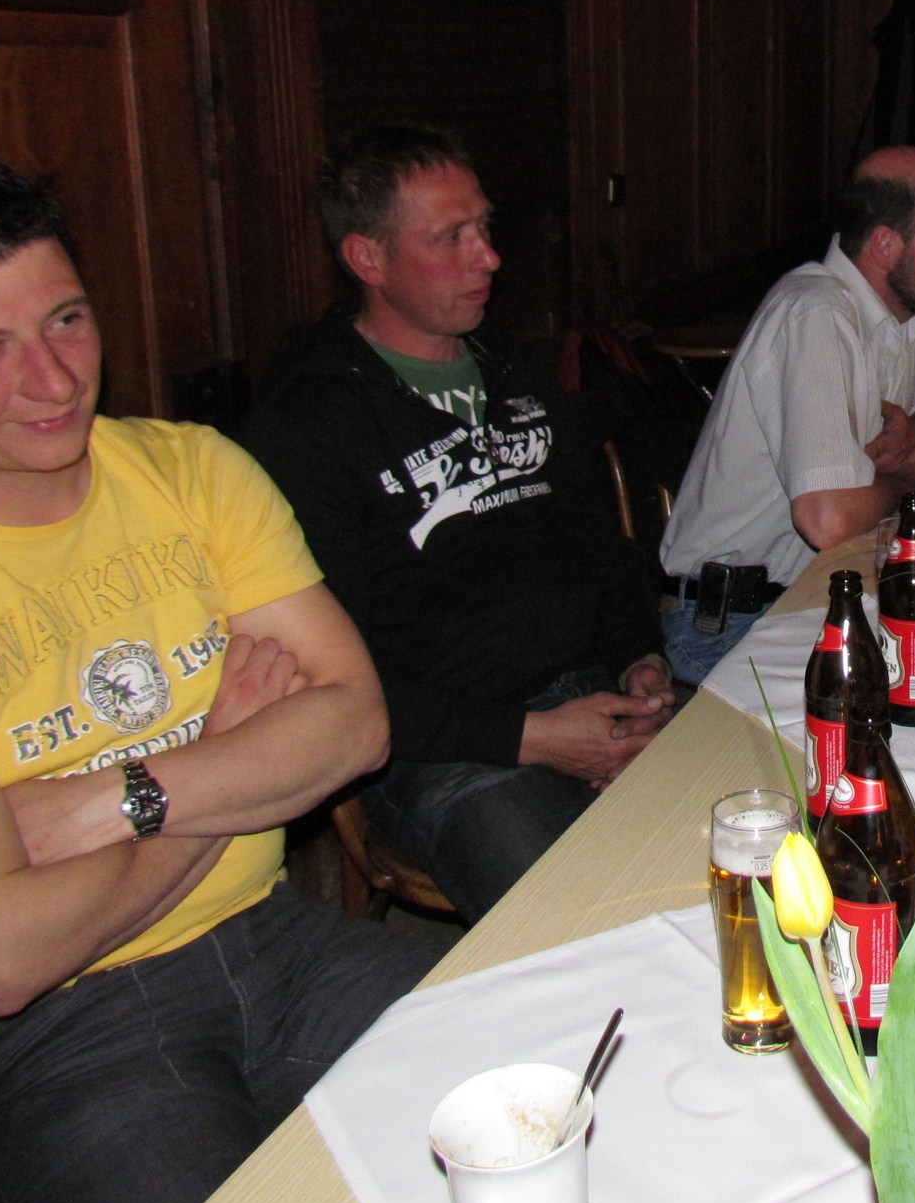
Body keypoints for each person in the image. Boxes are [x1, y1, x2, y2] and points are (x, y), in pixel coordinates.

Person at [0, 149, 437, 1203]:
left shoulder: (192, 471)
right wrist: (223, 757)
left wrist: (113, 800)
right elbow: (1, 960)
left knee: (575, 1076)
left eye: (66, 320)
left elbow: (355, 727)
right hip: (47, 1044)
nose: (55, 380)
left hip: (276, 941)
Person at [242, 124, 673, 920]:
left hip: (591, 689)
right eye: (452, 237)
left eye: (485, 227)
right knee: (580, 921)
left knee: (760, 818)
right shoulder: (307, 423)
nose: (490, 257)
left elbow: (601, 548)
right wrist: (531, 737)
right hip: (439, 747)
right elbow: (337, 676)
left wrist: (640, 657)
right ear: (368, 260)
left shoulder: (515, 370)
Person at [658, 147, 915, 682]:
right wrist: (913, 473)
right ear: (885, 245)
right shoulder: (815, 313)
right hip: (728, 622)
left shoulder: (912, 308)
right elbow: (827, 520)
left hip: (811, 591)